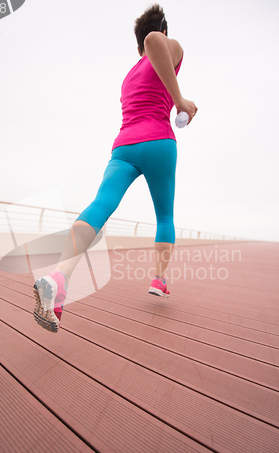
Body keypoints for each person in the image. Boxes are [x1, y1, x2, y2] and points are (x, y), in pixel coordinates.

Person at [33, 4, 198, 333]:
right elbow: (154, 39)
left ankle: (60, 276)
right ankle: (160, 279)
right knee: (165, 216)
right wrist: (180, 100)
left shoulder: (128, 76)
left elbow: (147, 43)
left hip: (123, 147)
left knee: (100, 206)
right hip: (158, 142)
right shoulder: (167, 44)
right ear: (163, 33)